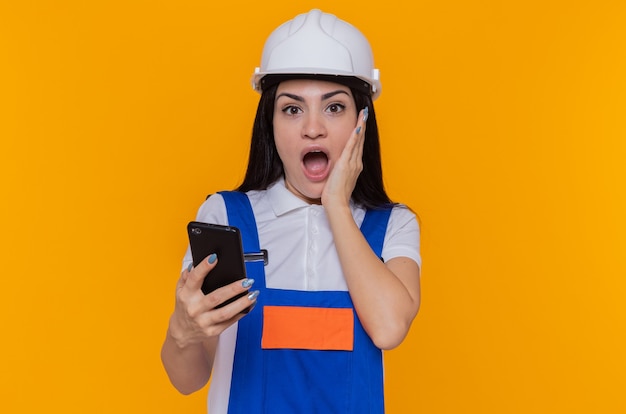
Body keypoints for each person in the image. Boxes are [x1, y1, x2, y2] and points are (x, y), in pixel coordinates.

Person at [161, 9, 421, 413]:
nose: (312, 128)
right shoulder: (226, 217)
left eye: (334, 108)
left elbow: (388, 328)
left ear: (362, 122)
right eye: (292, 109)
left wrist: (336, 204)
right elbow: (187, 380)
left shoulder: (391, 225)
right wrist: (182, 330)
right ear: (270, 123)